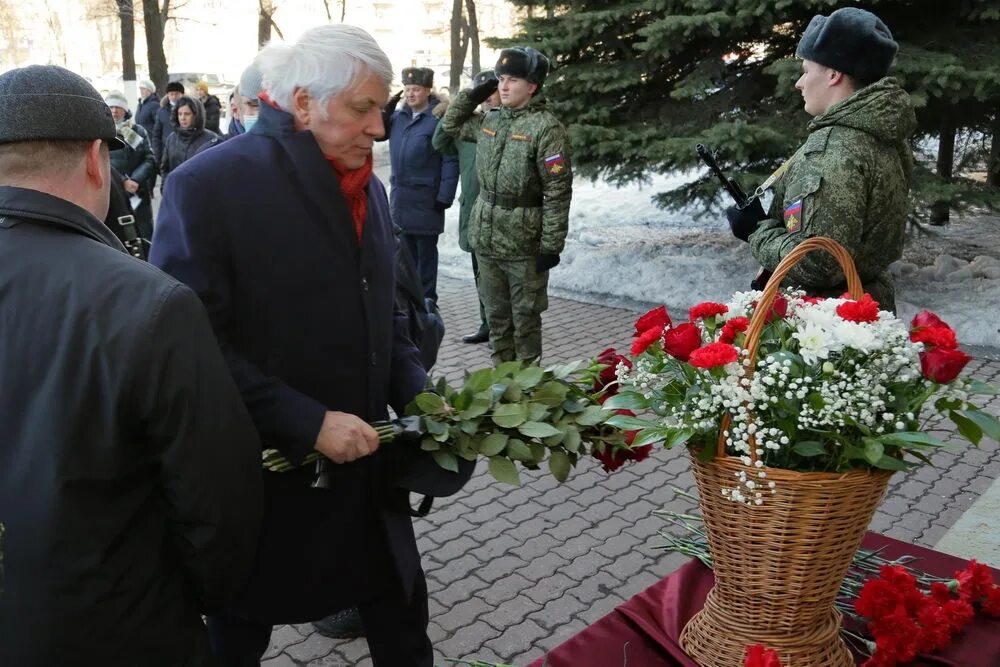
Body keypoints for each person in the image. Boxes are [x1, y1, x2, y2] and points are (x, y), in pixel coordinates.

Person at [149, 24, 443, 667]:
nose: (380, 130)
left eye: (383, 108)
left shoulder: (370, 185)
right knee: (236, 638)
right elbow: (189, 343)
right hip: (263, 484)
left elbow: (384, 318)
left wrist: (420, 393)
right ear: (304, 103)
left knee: (403, 631)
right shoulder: (206, 186)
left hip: (367, 475)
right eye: (363, 109)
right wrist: (304, 422)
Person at [0, 64, 262, 666]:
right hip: (117, 629)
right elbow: (217, 497)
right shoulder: (148, 302)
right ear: (98, 160)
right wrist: (199, 595)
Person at [727, 7, 915, 312]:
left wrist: (756, 231)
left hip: (824, 326)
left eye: (806, 70)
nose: (799, 83)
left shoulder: (833, 150)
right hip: (865, 312)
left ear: (833, 73)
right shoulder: (882, 134)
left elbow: (819, 262)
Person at [439, 47, 573, 363]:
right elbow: (451, 125)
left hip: (523, 242)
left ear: (532, 86)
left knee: (525, 322)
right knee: (498, 320)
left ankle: (529, 393)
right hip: (486, 236)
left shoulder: (547, 129)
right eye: (500, 79)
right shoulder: (491, 120)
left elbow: (557, 189)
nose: (503, 86)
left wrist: (551, 244)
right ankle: (504, 390)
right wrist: (473, 95)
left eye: (513, 79)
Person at [431, 69, 500, 344]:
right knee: (480, 274)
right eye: (482, 93)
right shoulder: (469, 126)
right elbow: (439, 141)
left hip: (502, 214)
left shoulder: (508, 126)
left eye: (492, 90)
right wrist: (463, 104)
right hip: (473, 210)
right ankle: (487, 324)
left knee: (503, 277)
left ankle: (507, 327)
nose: (489, 98)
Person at [381, 66, 459, 303]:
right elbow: (378, 133)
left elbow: (450, 159)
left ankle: (427, 301)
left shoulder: (437, 120)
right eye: (407, 89)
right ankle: (407, 299)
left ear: (427, 91)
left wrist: (444, 196)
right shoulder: (397, 118)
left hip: (427, 199)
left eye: (416, 89)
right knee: (402, 254)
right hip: (401, 198)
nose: (410, 94)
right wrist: (388, 106)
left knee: (425, 255)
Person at [105, 90, 157, 240]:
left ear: (125, 110)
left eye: (118, 107)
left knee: (143, 235)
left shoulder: (137, 131)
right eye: (111, 107)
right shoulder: (102, 133)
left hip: (139, 193)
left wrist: (135, 180)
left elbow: (149, 158)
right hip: (113, 192)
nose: (114, 111)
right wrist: (122, 181)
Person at [160, 95, 220, 187]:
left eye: (187, 114)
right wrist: (165, 189)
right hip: (175, 193)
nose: (183, 118)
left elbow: (215, 172)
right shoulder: (171, 139)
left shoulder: (211, 139)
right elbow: (165, 169)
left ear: (196, 115)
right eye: (180, 114)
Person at [152, 80, 185, 165]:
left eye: (177, 94)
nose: (174, 97)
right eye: (171, 94)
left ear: (182, 95)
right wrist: (157, 156)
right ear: (168, 95)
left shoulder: (189, 110)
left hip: (185, 153)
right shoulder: (161, 111)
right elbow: (156, 135)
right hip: (167, 153)